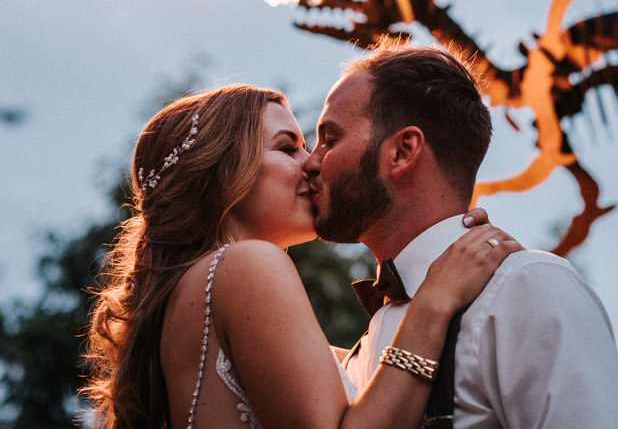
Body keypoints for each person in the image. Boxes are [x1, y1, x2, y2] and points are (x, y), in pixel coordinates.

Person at [82, 84, 522, 428]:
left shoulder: (196, 291)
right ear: (222, 170)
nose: (312, 163)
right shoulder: (245, 265)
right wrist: (435, 300)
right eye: (287, 147)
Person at [304, 42, 618, 428]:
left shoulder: (527, 287)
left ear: (402, 151)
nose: (311, 162)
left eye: (329, 139)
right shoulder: (371, 337)